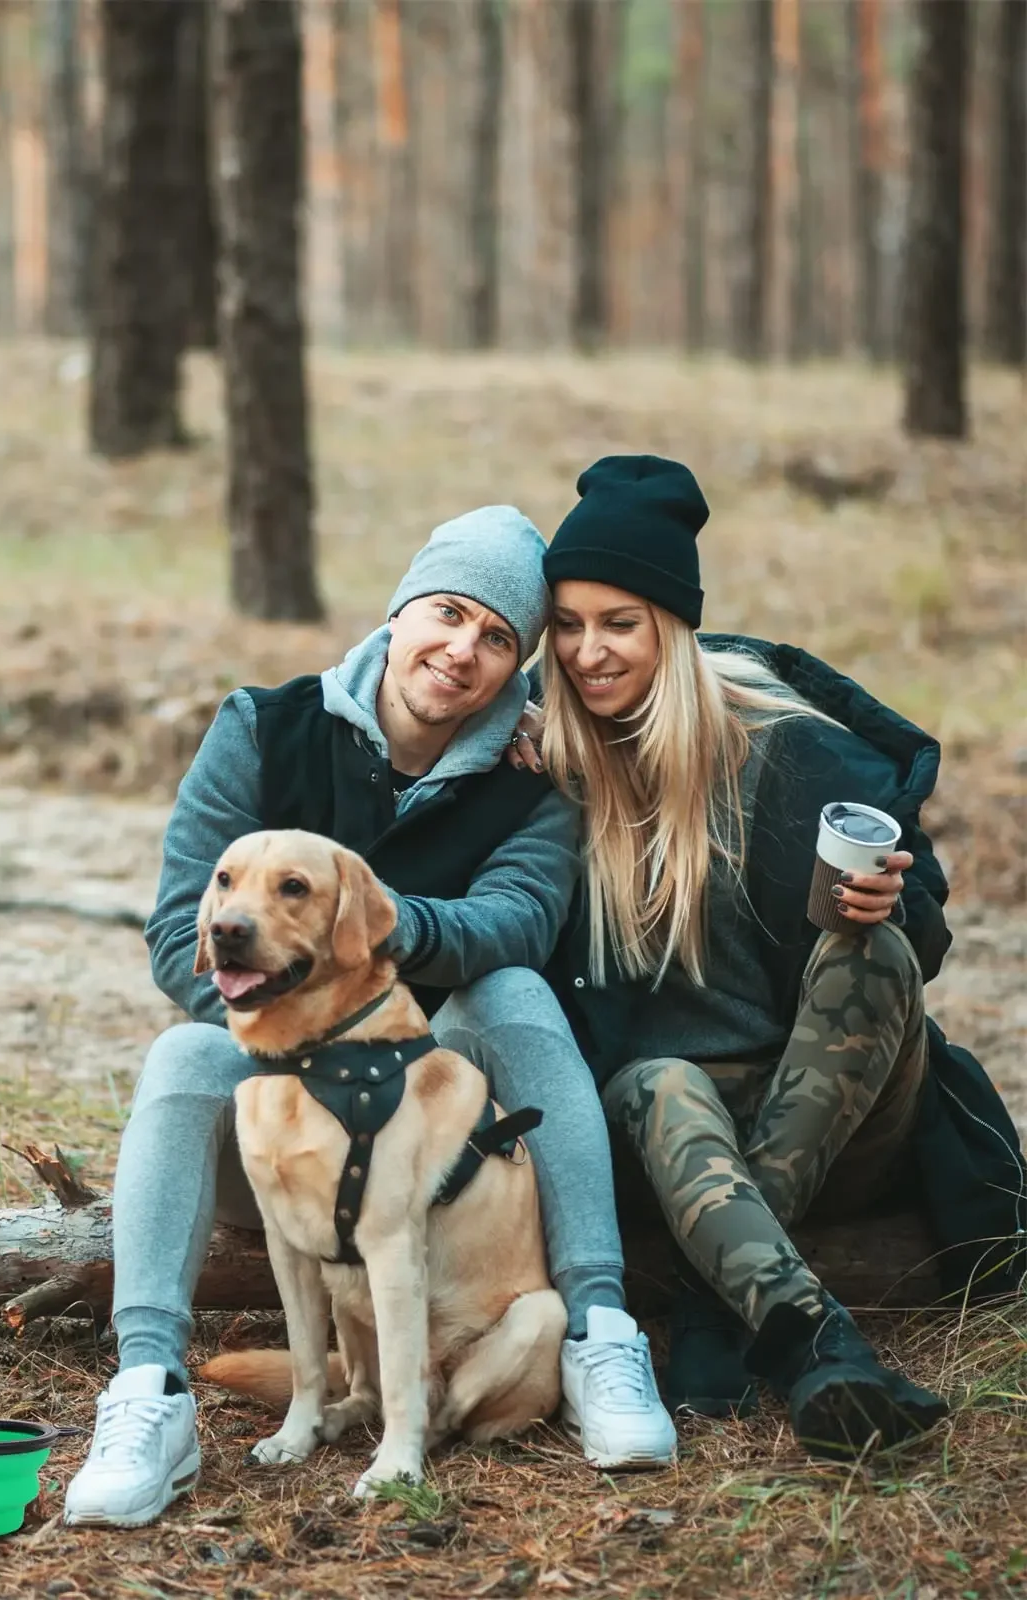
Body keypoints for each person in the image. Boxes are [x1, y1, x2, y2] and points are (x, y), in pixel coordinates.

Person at [63, 507, 677, 1530]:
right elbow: (184, 935)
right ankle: (147, 1391)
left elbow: (515, 923)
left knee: (515, 991)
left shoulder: (536, 781)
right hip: (282, 1144)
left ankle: (598, 1334)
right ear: (399, 611)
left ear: (519, 668)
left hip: (440, 1158)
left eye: (497, 639)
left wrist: (358, 919)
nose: (460, 650)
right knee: (182, 1052)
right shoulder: (264, 725)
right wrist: (308, 1001)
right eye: (446, 613)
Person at [533, 454, 1025, 1459]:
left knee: (872, 952)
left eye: (617, 622)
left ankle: (722, 1308)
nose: (588, 651)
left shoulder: (781, 745)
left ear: (670, 624)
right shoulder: (548, 769)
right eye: (569, 624)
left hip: (834, 1118)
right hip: (671, 1138)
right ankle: (814, 1344)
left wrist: (895, 900)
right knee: (661, 1077)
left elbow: (919, 923)